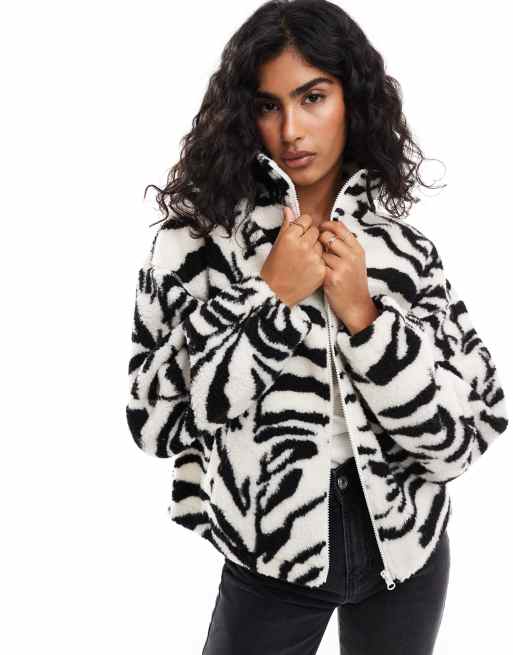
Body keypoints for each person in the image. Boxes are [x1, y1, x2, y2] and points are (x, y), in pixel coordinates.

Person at [125, 1, 509, 653]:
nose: (291, 129)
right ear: (242, 114)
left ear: (351, 100)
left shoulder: (404, 251)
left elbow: (464, 435)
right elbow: (155, 423)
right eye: (267, 105)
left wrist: (366, 318)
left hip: (407, 549)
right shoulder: (193, 246)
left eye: (312, 97)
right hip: (270, 556)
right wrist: (270, 296)